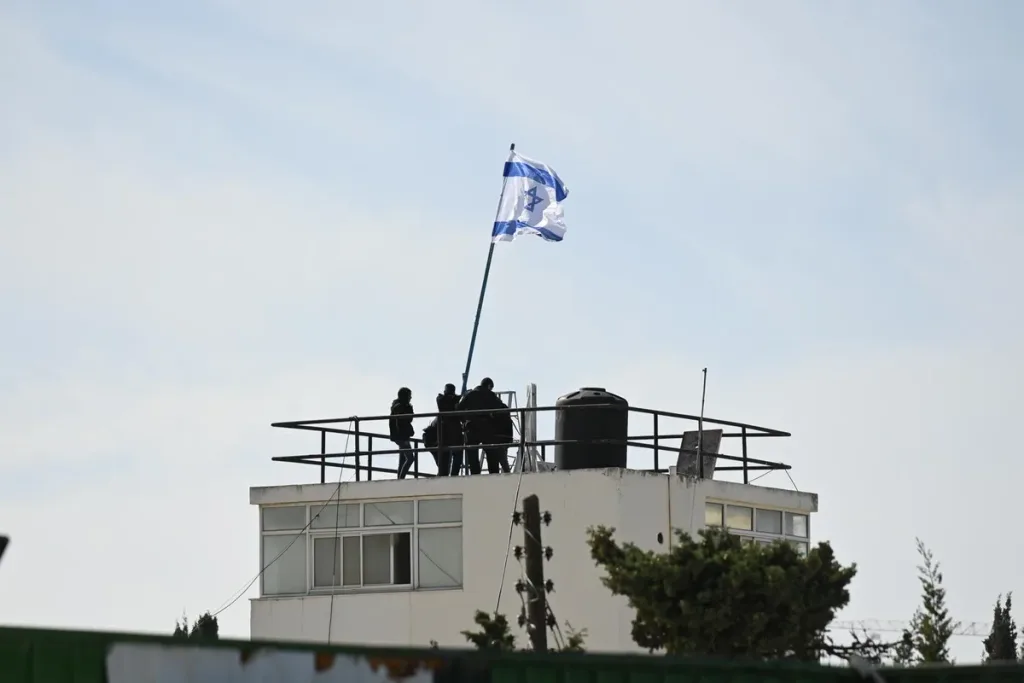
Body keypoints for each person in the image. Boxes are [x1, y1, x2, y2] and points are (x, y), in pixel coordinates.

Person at [457, 377, 510, 475]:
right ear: (489, 386)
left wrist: (464, 421)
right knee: (491, 453)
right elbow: (503, 409)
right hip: (487, 427)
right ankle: (493, 474)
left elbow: (458, 409)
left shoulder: (470, 394)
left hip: (471, 427)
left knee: (472, 453)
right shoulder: (490, 395)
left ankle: (475, 475)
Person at [435, 383, 463, 476]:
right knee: (457, 455)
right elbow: (456, 399)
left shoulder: (441, 399)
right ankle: (453, 475)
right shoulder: (449, 399)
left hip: (444, 432)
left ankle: (444, 475)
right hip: (455, 431)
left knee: (445, 456)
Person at [388, 387, 415, 479]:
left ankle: (399, 479)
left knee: (403, 459)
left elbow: (409, 418)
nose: (410, 398)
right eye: (409, 396)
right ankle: (401, 479)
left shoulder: (399, 406)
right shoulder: (399, 407)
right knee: (410, 458)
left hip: (401, 436)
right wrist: (403, 439)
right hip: (401, 437)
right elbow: (405, 420)